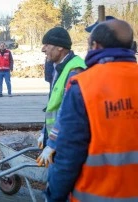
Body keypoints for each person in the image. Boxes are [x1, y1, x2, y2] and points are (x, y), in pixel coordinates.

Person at [45, 19, 138, 202]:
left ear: (95, 45)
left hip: (95, 194)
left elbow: (69, 156)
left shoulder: (83, 85)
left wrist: (53, 195)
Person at [36, 27, 86, 168]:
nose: (43, 49)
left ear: (60, 47)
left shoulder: (74, 71)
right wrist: (44, 131)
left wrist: (52, 143)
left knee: (60, 186)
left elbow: (69, 112)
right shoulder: (59, 67)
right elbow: (54, 106)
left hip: (67, 143)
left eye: (47, 45)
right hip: (59, 138)